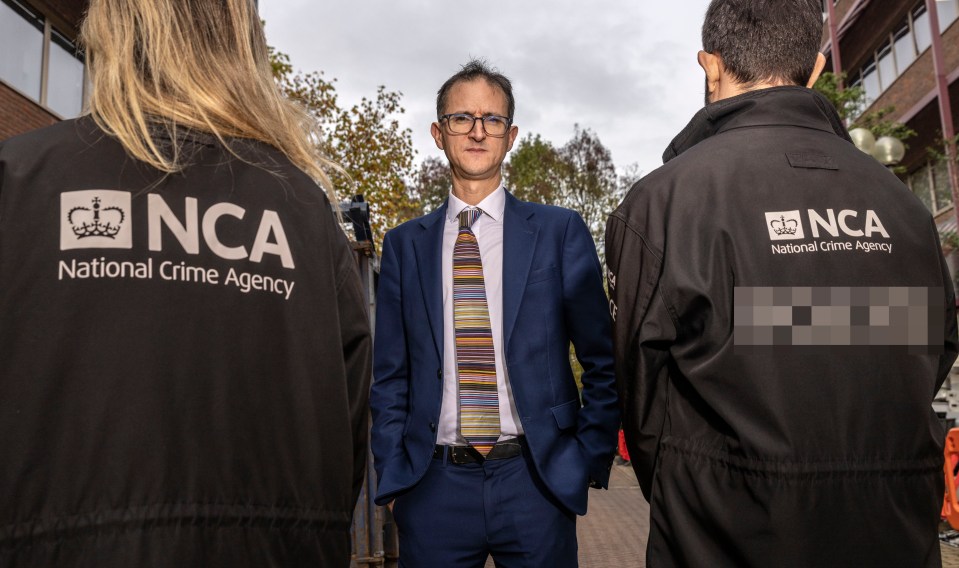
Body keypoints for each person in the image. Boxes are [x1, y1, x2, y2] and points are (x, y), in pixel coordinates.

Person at [0, 0, 371, 565]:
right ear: (241, 46)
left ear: (114, 31)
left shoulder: (20, 182)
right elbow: (346, 440)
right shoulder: (302, 212)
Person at [605, 0, 959, 565]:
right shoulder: (903, 206)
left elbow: (643, 397)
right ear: (817, 68)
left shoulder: (663, 203)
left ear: (711, 66)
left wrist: (696, 488)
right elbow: (930, 352)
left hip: (724, 535)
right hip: (892, 530)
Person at [370, 59, 619, 567]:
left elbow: (602, 358)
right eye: (463, 118)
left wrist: (585, 459)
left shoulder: (559, 232)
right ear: (439, 133)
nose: (478, 131)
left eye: (493, 120)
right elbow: (390, 376)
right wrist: (395, 477)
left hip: (535, 483)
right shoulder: (403, 246)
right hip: (432, 488)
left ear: (512, 136)